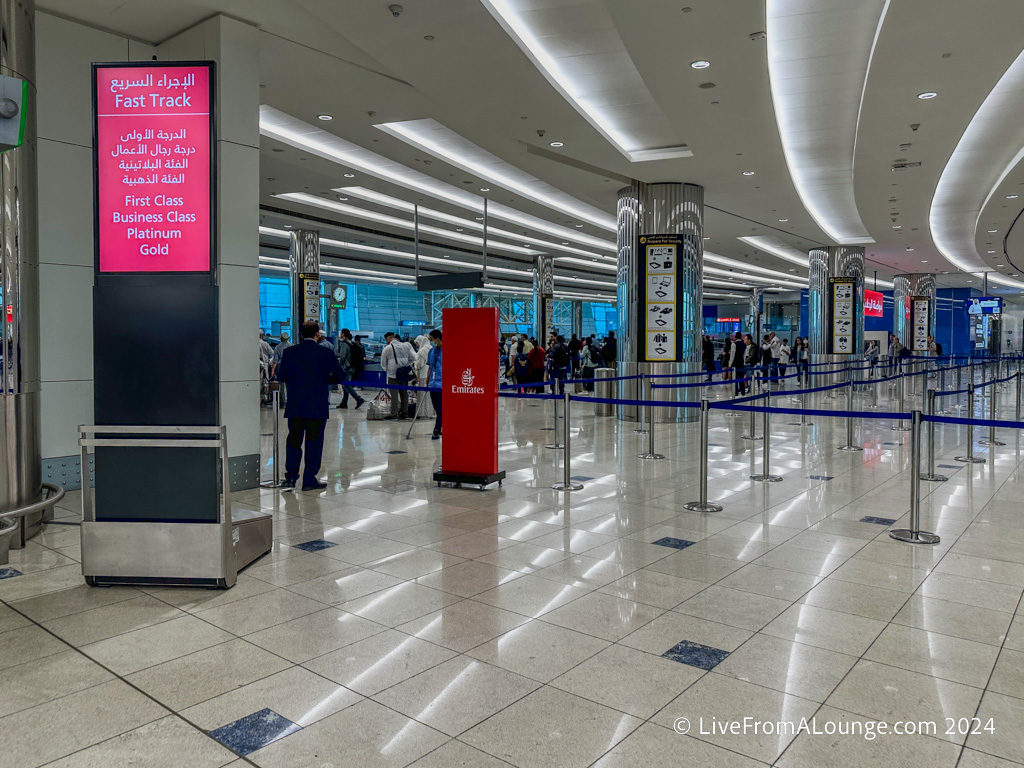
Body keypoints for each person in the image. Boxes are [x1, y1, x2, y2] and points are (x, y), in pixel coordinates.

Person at [273, 321, 344, 491]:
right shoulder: (326, 352)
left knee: (294, 441)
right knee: (314, 442)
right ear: (317, 335)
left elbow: (281, 376)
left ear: (300, 335)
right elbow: (340, 375)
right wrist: (324, 381)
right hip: (317, 405)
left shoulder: (289, 352)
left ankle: (290, 478)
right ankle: (309, 479)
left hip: (295, 405)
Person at [381, 331, 415, 420]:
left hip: (392, 375)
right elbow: (413, 358)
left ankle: (394, 414)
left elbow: (383, 363)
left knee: (394, 395)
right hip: (404, 375)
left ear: (388, 338)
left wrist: (387, 370)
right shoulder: (405, 345)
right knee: (404, 394)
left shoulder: (387, 348)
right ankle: (404, 413)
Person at [335, 328, 365, 410]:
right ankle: (344, 403)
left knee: (345, 384)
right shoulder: (352, 343)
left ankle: (358, 399)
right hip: (353, 366)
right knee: (346, 384)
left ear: (344, 334)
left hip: (347, 367)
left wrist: (339, 364)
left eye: (341, 333)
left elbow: (342, 357)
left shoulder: (344, 344)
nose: (340, 335)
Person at [426, 329, 443, 439]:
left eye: (432, 340)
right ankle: (440, 425)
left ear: (437, 339)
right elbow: (429, 367)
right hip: (433, 384)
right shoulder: (431, 351)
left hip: (442, 384)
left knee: (441, 408)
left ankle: (436, 429)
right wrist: (427, 382)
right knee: (436, 408)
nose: (431, 342)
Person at [414, 334, 434, 419]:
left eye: (417, 343)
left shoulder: (422, 351)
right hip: (431, 375)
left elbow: (419, 364)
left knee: (422, 395)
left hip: (423, 375)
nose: (417, 345)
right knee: (430, 396)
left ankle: (423, 413)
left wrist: (414, 365)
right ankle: (430, 412)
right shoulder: (432, 349)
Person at [270, 331, 292, 406]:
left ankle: (282, 403)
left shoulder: (277, 347)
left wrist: (273, 370)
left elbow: (275, 360)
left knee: (281, 385)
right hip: (290, 366)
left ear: (281, 338)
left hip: (281, 366)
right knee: (289, 384)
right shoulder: (292, 346)